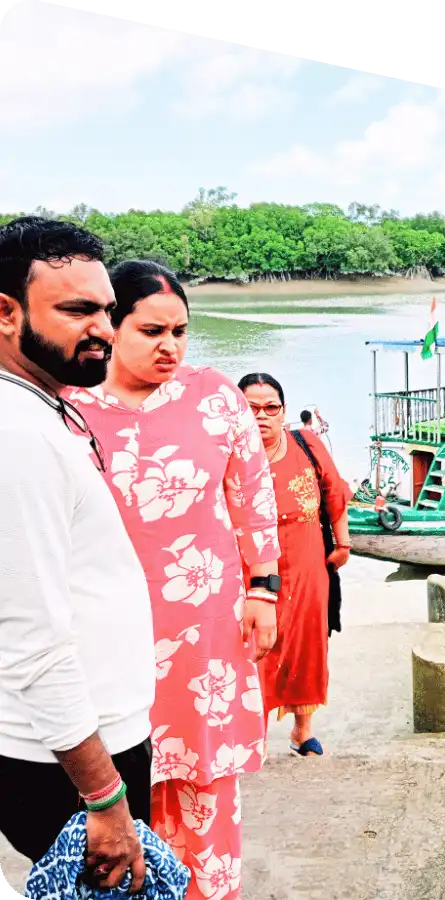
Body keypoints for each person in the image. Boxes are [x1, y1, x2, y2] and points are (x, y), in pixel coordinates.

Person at [64, 260, 281, 900]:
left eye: (181, 331)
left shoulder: (215, 396)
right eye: (152, 329)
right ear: (111, 325)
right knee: (114, 775)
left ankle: (208, 890)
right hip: (106, 628)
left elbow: (252, 496)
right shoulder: (70, 406)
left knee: (204, 774)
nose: (170, 346)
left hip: (204, 626)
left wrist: (263, 590)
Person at [0, 218, 156, 891]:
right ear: (6, 314)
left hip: (77, 740)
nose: (104, 328)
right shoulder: (19, 438)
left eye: (108, 310)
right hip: (64, 760)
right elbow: (31, 641)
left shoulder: (43, 411)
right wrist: (104, 797)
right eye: (77, 310)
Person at [237, 373, 352, 756]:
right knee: (254, 647)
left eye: (271, 408)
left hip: (305, 560)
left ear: (283, 411)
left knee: (307, 644)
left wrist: (344, 542)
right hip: (249, 565)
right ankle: (253, 732)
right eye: (252, 408)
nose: (262, 416)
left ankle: (302, 731)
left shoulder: (307, 444)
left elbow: (335, 492)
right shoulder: (227, 451)